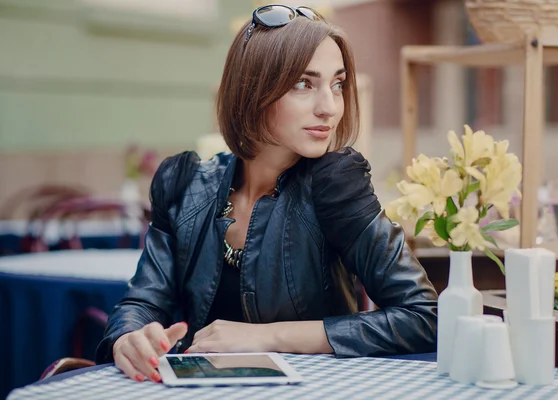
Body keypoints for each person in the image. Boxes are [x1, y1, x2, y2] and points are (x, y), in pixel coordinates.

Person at [96, 4, 438, 383]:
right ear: (253, 90)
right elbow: (142, 302)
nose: (329, 107)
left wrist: (266, 337)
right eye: (304, 84)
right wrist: (129, 337)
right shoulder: (186, 184)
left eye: (337, 84)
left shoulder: (336, 186)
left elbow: (423, 316)